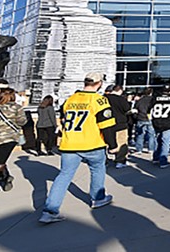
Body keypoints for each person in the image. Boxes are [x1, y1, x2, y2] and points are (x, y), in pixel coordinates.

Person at [39, 72, 117, 224]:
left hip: (70, 144)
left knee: (63, 176)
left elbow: (63, 118)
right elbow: (107, 126)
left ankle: (49, 210)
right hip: (92, 143)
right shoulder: (99, 100)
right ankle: (98, 198)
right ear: (99, 83)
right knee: (97, 169)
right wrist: (113, 146)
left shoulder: (71, 99)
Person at [151, 86, 170, 168]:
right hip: (167, 122)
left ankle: (155, 157)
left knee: (157, 140)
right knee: (165, 142)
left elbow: (149, 109)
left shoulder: (155, 98)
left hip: (156, 121)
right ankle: (163, 161)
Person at [104, 85, 131, 169]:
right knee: (122, 143)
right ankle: (120, 160)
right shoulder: (121, 99)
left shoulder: (104, 98)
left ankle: (104, 160)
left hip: (106, 123)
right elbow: (127, 110)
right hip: (120, 123)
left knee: (105, 143)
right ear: (120, 91)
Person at [133, 88, 155, 154]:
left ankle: (139, 149)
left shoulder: (140, 100)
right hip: (150, 118)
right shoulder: (153, 100)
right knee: (151, 135)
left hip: (140, 117)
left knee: (140, 134)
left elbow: (135, 109)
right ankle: (151, 149)